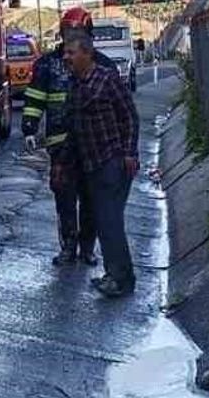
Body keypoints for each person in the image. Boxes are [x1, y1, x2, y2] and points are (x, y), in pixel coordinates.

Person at [21, 7, 117, 266]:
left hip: (93, 145)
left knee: (91, 199)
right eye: (67, 32)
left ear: (87, 34)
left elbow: (118, 109)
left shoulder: (105, 66)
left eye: (76, 32)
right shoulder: (46, 64)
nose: (70, 37)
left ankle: (87, 249)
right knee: (64, 197)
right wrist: (29, 127)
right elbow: (35, 98)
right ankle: (68, 247)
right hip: (61, 145)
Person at [65, 33, 140, 298]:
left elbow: (130, 116)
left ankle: (120, 279)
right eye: (66, 52)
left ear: (87, 53)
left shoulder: (107, 79)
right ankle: (118, 275)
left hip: (113, 161)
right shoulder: (75, 85)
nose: (67, 57)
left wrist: (129, 153)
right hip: (91, 165)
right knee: (106, 221)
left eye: (72, 52)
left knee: (109, 222)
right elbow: (73, 129)